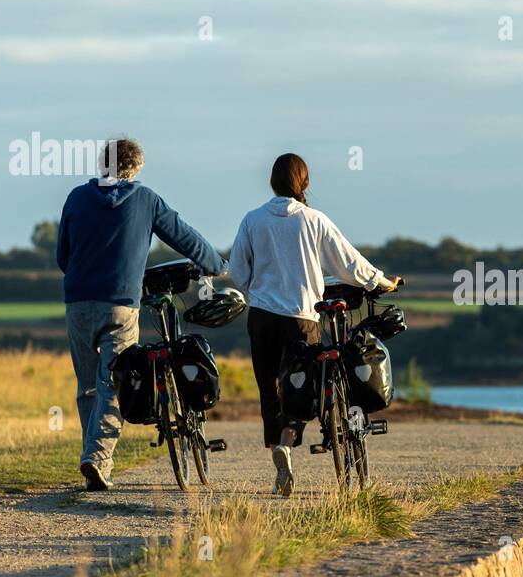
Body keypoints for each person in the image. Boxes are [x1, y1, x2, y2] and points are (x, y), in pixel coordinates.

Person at [56, 137, 226, 491]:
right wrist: (215, 264)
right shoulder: (145, 199)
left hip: (78, 303)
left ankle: (93, 457)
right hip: (120, 304)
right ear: (134, 169)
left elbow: (63, 255)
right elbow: (184, 237)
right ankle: (97, 459)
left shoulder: (76, 198)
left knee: (88, 385)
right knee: (112, 383)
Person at [227, 153, 399, 495]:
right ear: (304, 183)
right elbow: (349, 263)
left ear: (272, 183)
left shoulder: (252, 220)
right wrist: (382, 282)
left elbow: (238, 273)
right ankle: (288, 444)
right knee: (302, 388)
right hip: (300, 317)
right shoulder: (314, 220)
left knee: (270, 388)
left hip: (261, 317)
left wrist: (261, 288)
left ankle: (280, 450)